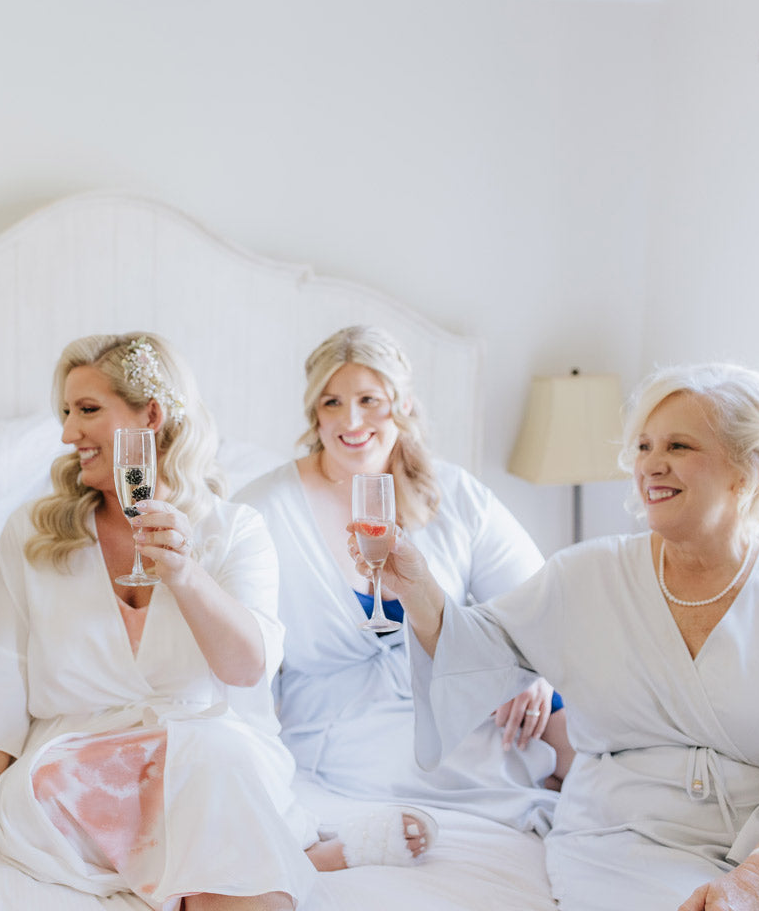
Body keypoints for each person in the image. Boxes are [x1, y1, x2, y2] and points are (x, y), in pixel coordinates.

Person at [0, 333, 428, 911]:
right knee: (210, 771)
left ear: (150, 416)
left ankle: (249, 861)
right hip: (77, 779)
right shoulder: (33, 534)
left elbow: (248, 669)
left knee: (207, 755)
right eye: (65, 413)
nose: (66, 434)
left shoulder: (235, 531)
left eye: (87, 411)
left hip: (211, 769)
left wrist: (185, 575)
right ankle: (290, 855)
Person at [361, 362, 759, 910]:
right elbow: (477, 650)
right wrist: (418, 591)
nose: (651, 464)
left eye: (678, 446)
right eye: (644, 447)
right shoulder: (586, 576)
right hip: (621, 842)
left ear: (746, 472)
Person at [235, 325, 573, 842]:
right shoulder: (263, 509)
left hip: (457, 682)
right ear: (314, 414)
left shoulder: (454, 493)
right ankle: (552, 798)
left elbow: (540, 601)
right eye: (332, 402)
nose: (351, 421)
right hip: (340, 717)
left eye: (370, 400)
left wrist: (540, 674)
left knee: (575, 719)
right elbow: (245, 653)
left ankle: (607, 807)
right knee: (465, 757)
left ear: (404, 403)